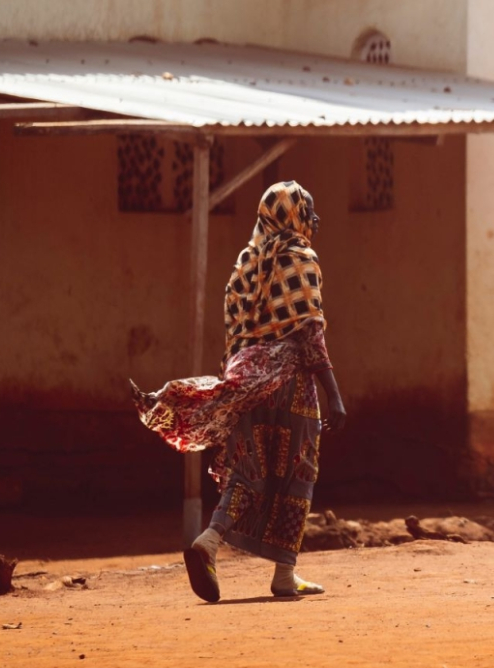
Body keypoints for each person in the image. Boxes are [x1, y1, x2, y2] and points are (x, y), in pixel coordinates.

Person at [131, 181, 347, 602]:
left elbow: (237, 335)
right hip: (291, 384)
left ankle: (209, 541)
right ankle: (284, 574)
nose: (314, 219)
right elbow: (308, 332)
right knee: (297, 474)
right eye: (309, 210)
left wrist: (238, 384)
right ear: (295, 216)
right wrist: (334, 394)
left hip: (247, 381)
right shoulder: (299, 256)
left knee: (248, 471)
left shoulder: (247, 262)